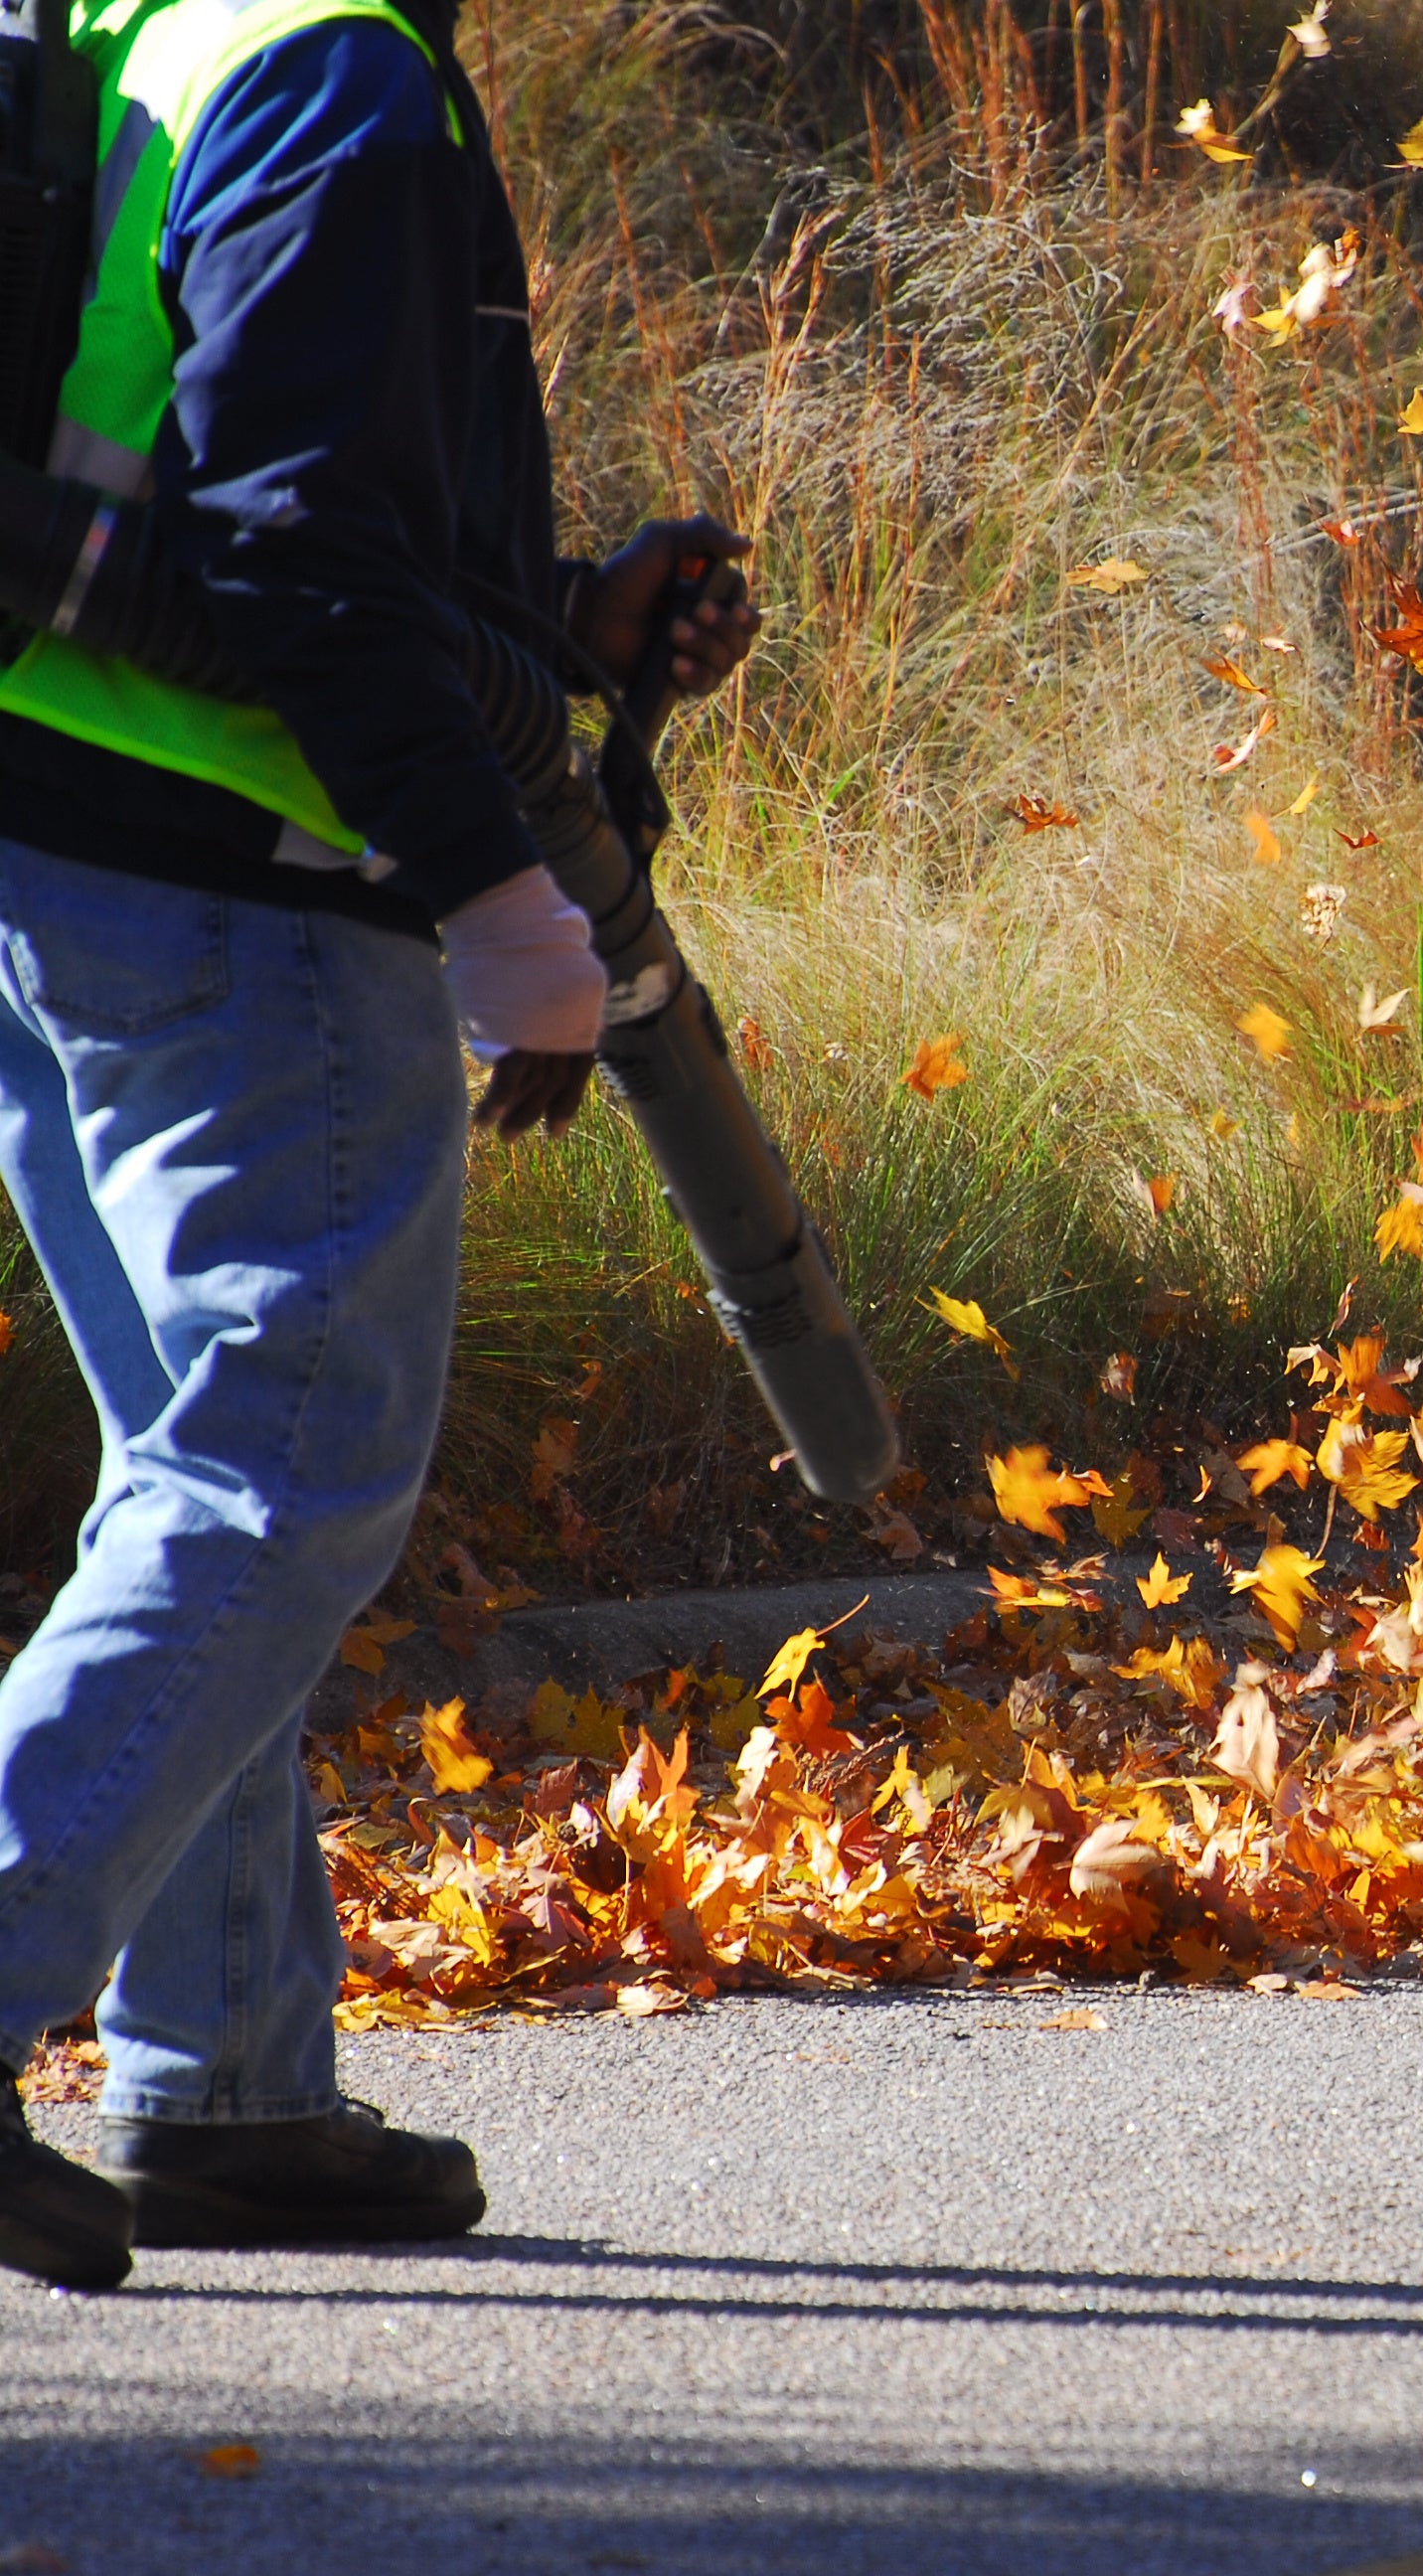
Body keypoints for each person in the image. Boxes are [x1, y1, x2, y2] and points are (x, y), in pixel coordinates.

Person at [0, 0, 754, 2292]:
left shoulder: (137, 30)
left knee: (197, 1463)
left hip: (57, 841)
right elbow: (301, 546)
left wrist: (549, 635)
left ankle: (224, 2083)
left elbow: (200, 493)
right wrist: (490, 889)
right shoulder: (325, 60)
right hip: (238, 877)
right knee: (284, 1468)